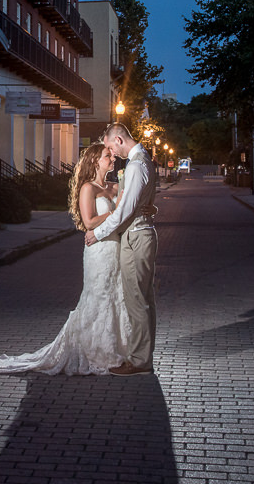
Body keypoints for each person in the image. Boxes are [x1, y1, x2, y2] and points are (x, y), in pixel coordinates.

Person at [0, 142, 131, 375]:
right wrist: (115, 211)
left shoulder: (112, 186)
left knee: (114, 296)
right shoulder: (88, 188)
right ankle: (95, 352)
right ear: (94, 161)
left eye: (111, 155)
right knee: (97, 296)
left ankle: (114, 348)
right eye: (107, 156)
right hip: (98, 251)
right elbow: (88, 222)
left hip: (114, 249)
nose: (112, 159)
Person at [86, 122, 159, 376]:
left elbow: (124, 211)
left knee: (137, 300)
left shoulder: (137, 165)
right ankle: (142, 356)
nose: (111, 154)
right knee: (143, 298)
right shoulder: (143, 160)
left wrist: (98, 233)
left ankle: (139, 362)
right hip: (141, 232)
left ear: (118, 140)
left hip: (136, 236)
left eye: (109, 147)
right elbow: (138, 202)